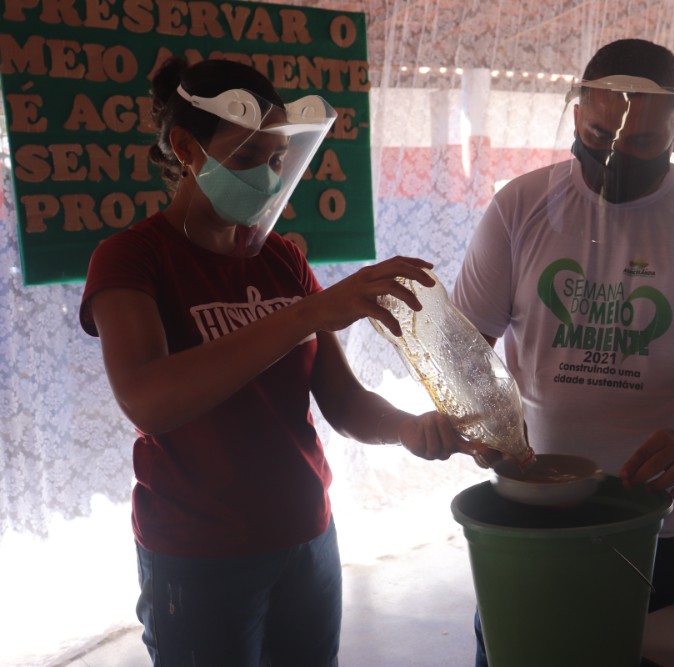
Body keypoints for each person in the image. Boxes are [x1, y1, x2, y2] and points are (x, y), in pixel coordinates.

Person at [79, 57, 485, 666]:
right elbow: (148, 399)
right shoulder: (131, 259)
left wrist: (409, 427)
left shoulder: (280, 261)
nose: (267, 177)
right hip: (200, 554)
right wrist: (302, 316)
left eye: (275, 158)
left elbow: (343, 401)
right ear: (187, 149)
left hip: (307, 537)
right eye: (245, 159)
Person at [452, 39, 674, 664]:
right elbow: (465, 348)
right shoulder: (520, 207)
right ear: (576, 116)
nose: (614, 155)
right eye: (600, 133)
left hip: (671, 523)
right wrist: (483, 425)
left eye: (642, 142)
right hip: (535, 507)